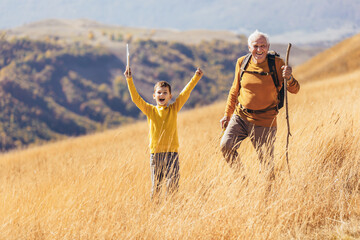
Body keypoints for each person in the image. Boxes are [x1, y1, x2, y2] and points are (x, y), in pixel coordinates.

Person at [220, 30, 300, 180]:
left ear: (268, 47)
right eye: (255, 46)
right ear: (249, 47)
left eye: (263, 46)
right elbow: (234, 90)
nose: (259, 50)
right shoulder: (242, 62)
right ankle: (242, 180)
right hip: (241, 116)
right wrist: (227, 114)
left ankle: (267, 196)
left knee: (266, 164)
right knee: (226, 145)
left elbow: (295, 89)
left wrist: (289, 78)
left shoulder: (277, 64)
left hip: (265, 121)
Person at [124, 66, 203, 200]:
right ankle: (155, 210)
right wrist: (129, 79)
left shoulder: (174, 108)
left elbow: (185, 93)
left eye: (165, 93)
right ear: (154, 96)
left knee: (173, 185)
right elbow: (136, 99)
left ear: (170, 96)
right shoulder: (150, 110)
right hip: (156, 154)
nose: (162, 95)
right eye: (159, 93)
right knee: (157, 186)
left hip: (172, 153)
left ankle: (172, 209)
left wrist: (195, 78)